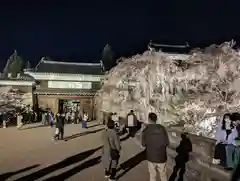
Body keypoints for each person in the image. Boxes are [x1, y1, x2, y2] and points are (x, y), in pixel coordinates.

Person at [142, 112, 169, 181]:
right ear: (156, 119)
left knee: (152, 175)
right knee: (163, 175)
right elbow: (167, 143)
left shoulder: (146, 130)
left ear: (149, 119)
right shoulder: (162, 128)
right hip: (161, 156)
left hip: (151, 157)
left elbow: (143, 144)